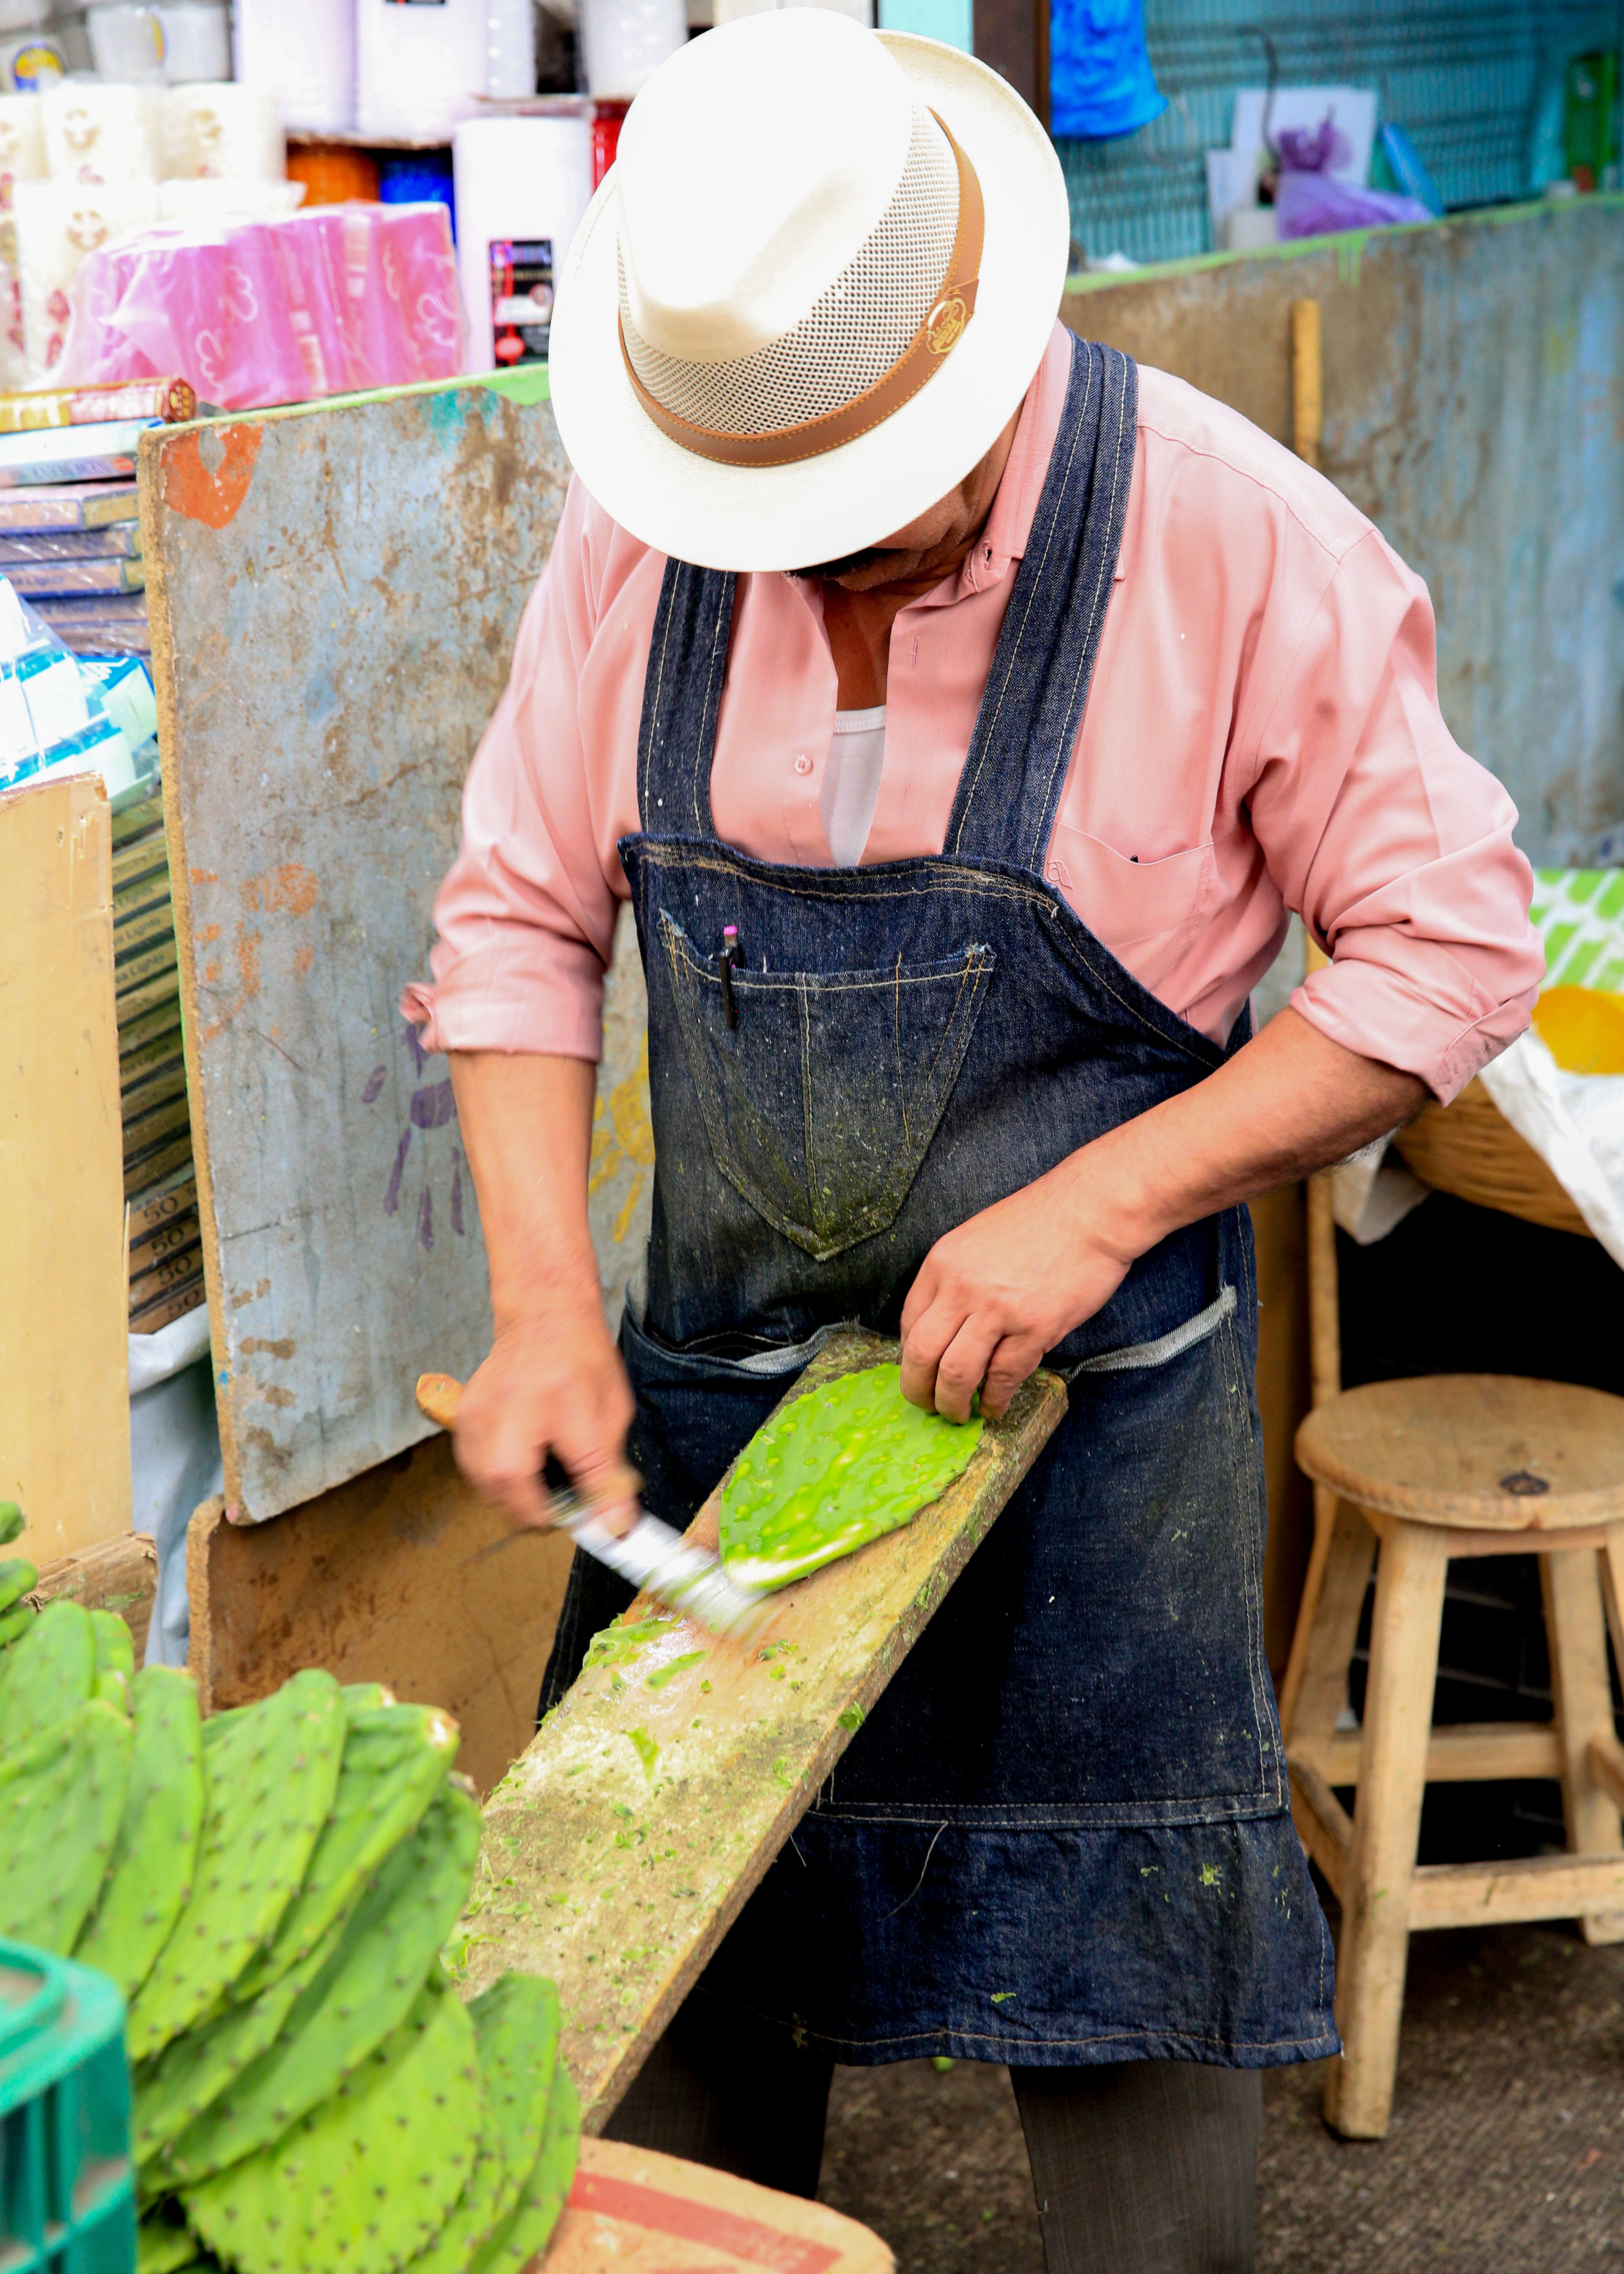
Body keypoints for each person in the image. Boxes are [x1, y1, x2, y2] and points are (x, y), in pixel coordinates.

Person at [403, 14, 1543, 2269]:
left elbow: (1450, 955)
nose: (808, 581)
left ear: (978, 368)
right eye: (772, 530)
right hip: (717, 1454)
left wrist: (1103, 1201)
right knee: (668, 2119)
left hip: (1091, 1454)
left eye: (861, 528)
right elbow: (520, 926)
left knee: (1133, 2121)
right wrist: (544, 1310)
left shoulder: (1222, 539)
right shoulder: (646, 546)